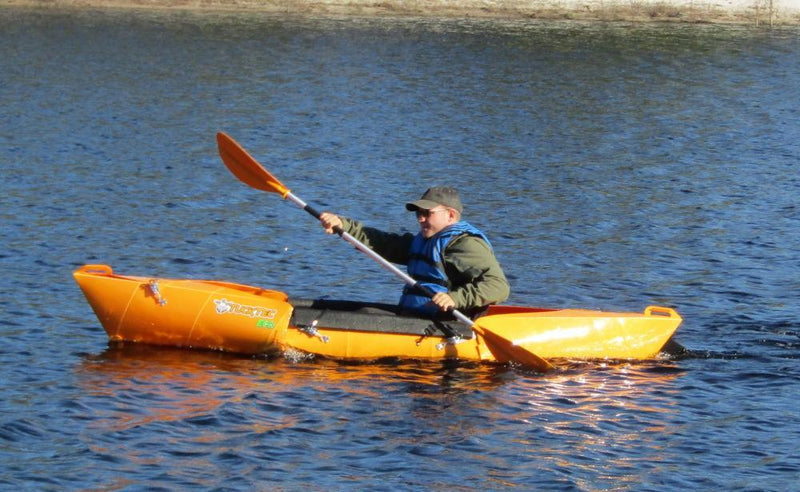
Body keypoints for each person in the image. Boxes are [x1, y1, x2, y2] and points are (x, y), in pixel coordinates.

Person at [319, 186, 509, 318]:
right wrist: (343, 225)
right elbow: (383, 243)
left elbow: (499, 286)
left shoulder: (465, 245)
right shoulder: (425, 240)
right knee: (363, 312)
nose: (420, 218)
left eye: (427, 213)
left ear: (450, 215)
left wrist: (454, 298)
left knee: (365, 316)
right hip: (417, 316)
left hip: (447, 323)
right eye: (418, 213)